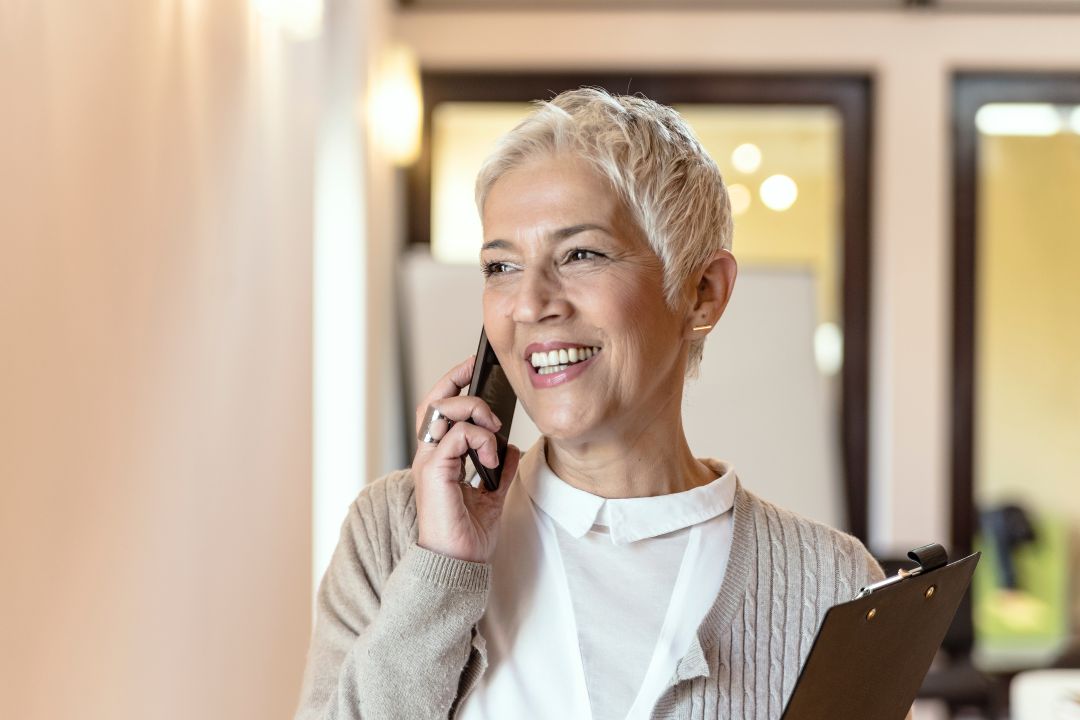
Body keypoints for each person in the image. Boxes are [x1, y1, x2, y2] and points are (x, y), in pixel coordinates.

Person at [294, 88, 884, 720]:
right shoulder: (392, 532)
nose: (530, 303)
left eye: (581, 254)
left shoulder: (832, 583)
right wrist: (442, 571)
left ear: (702, 293)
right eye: (500, 267)